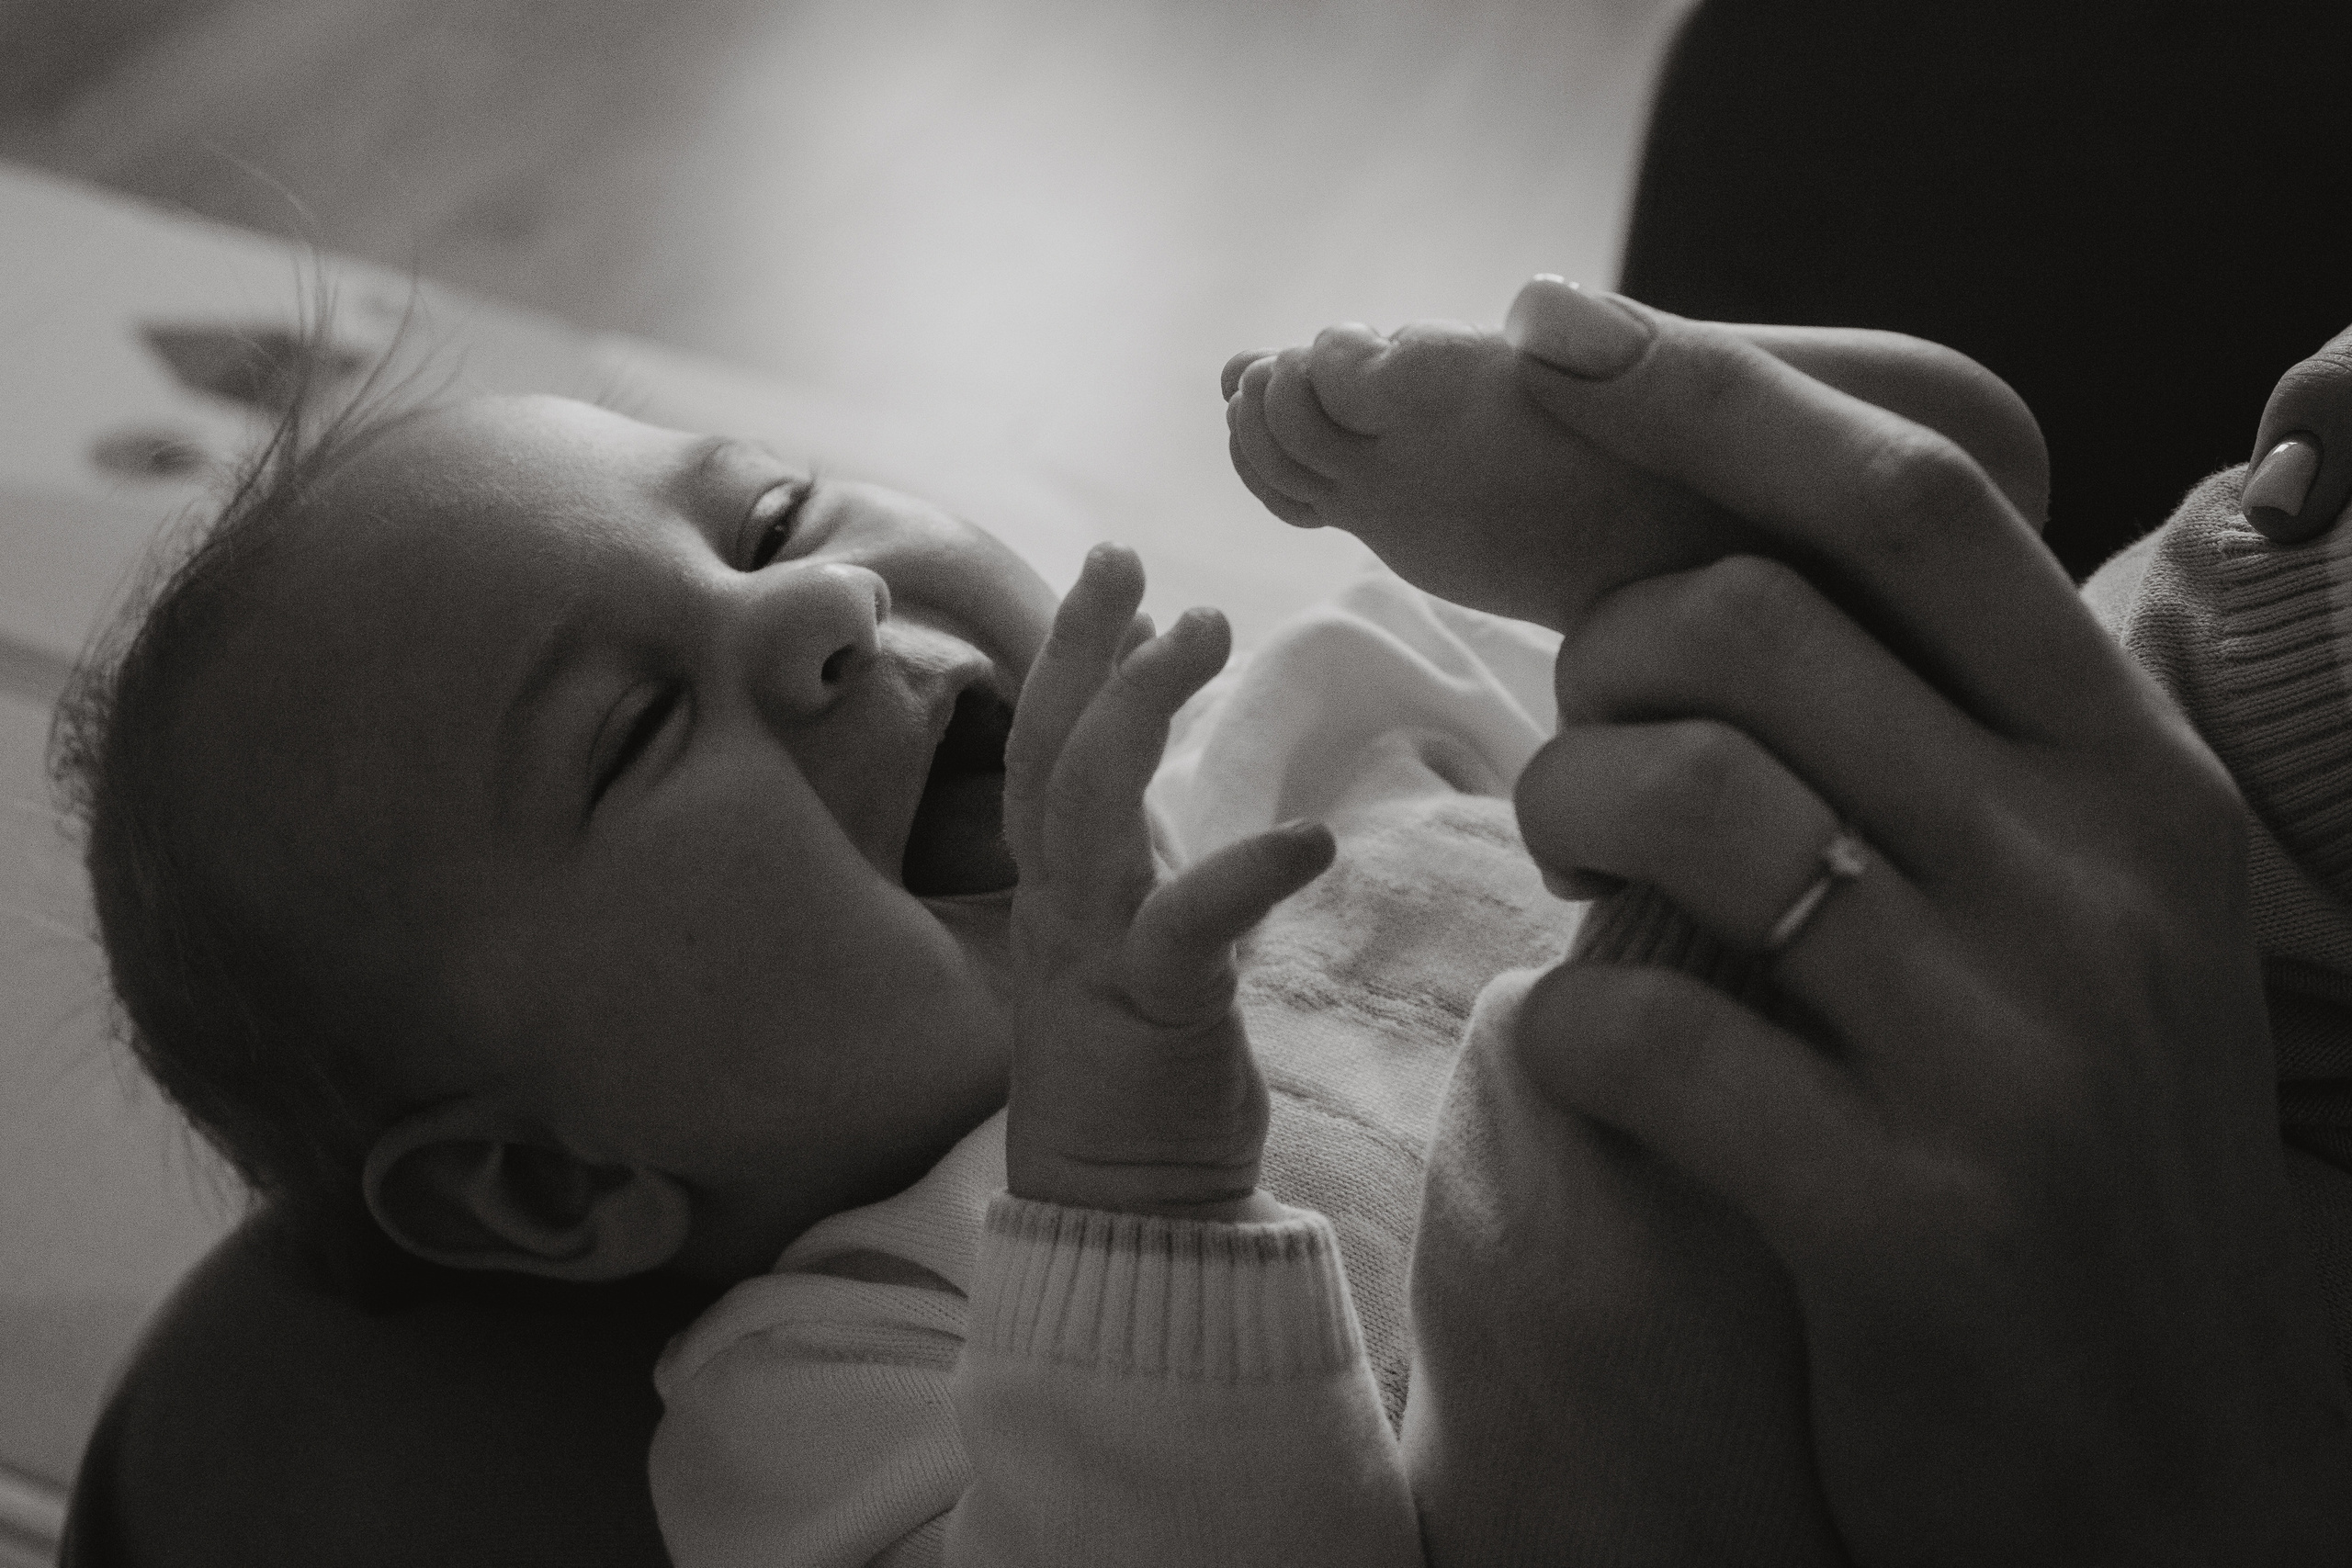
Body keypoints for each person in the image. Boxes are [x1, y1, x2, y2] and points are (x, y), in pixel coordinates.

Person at [54, 288, 2048, 1563]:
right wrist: (1129, 1193)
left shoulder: (1333, 710)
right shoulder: (839, 1387)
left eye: (763, 522)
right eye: (636, 727)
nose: (811, 608)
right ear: (544, 1177)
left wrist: (1617, 460)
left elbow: (1905, 643)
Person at [1228, 277, 2352, 1561]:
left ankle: (1852, 564)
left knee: (1639, 1242)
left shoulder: (1295, 755)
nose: (935, 677)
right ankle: (1860, 563)